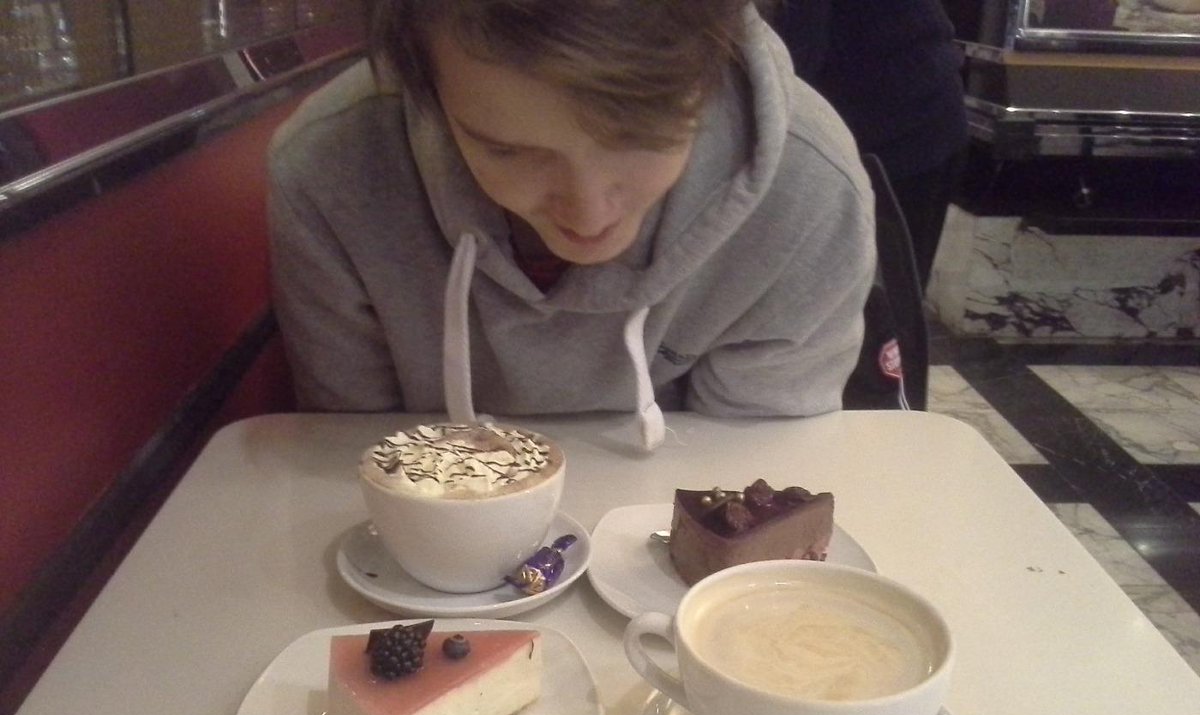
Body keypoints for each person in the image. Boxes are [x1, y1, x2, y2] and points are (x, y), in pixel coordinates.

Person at [268, 0, 875, 450]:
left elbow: (753, 482)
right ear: (420, 87)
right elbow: (353, 459)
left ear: (714, 65)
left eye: (640, 136)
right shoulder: (329, 173)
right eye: (508, 151)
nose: (589, 215)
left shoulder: (809, 192)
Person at [773, 0, 968, 289]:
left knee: (875, 298)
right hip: (919, 109)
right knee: (881, 293)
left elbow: (794, 54)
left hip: (903, 129)